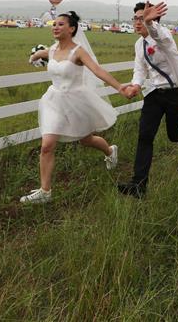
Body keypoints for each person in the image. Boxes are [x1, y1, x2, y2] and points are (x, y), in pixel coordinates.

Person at [22, 12, 126, 204]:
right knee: (47, 145)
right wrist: (34, 56)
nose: (55, 27)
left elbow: (97, 70)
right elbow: (42, 54)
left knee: (86, 140)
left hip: (76, 101)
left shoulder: (78, 52)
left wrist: (119, 87)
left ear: (71, 29)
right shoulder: (52, 50)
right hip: (53, 102)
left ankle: (110, 151)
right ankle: (45, 191)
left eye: (61, 24)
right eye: (54, 24)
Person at [117, 1, 178, 198]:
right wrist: (136, 84)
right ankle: (139, 185)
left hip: (176, 94)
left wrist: (150, 23)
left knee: (174, 135)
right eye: (135, 18)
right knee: (145, 136)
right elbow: (140, 68)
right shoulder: (138, 44)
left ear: (153, 19)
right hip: (154, 94)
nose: (137, 22)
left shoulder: (165, 37)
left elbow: (157, 35)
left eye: (141, 18)